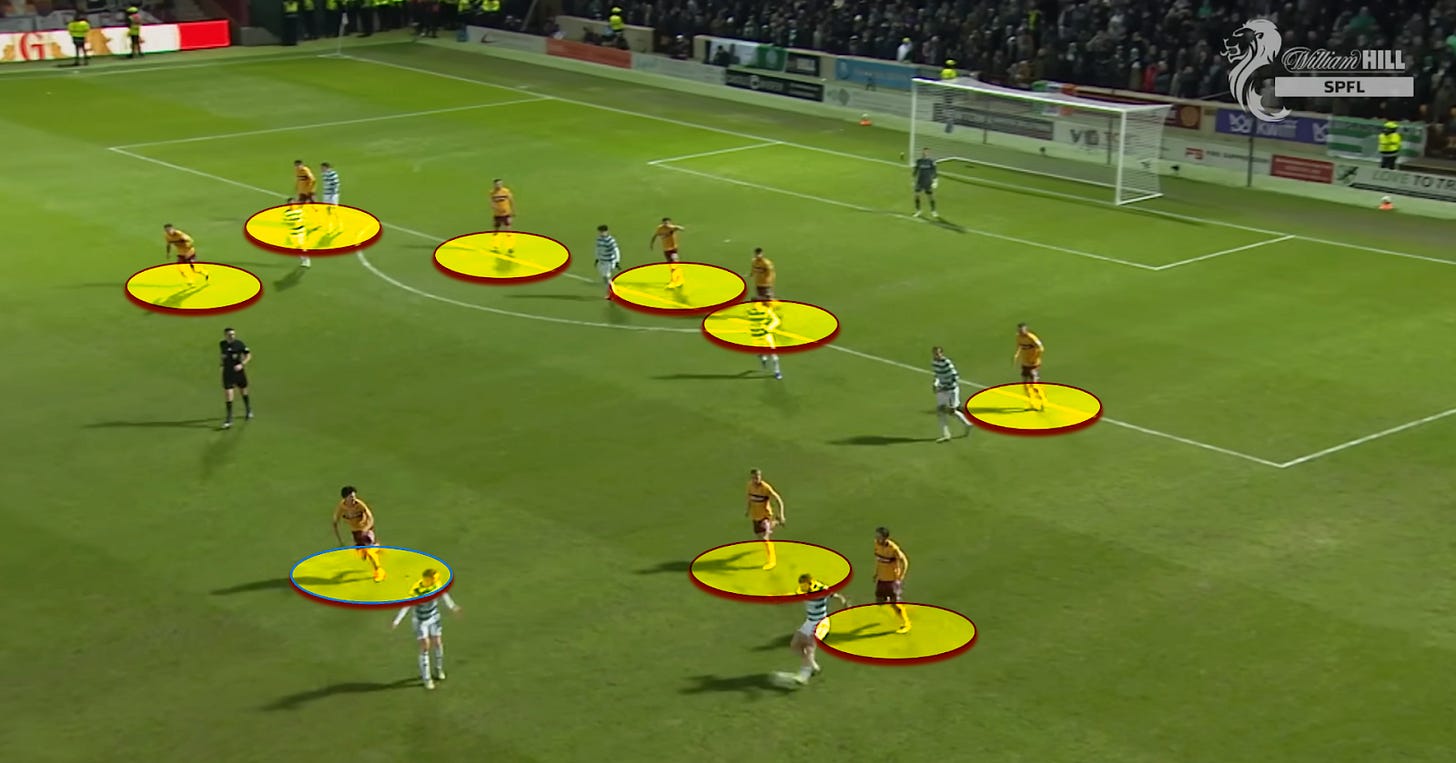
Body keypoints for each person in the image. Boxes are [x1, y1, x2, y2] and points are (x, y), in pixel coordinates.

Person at [391, 569, 461, 690]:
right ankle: (427, 678)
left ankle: (438, 669)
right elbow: (407, 605)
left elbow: (444, 595)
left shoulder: (437, 585)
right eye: (434, 579)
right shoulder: (417, 591)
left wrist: (453, 607)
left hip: (434, 617)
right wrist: (397, 620)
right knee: (425, 646)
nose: (436, 581)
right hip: (421, 621)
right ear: (427, 579)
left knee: (438, 642)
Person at [786, 573, 848, 686]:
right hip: (810, 622)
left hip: (821, 623)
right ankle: (812, 665)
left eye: (804, 586)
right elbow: (793, 595)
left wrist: (844, 603)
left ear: (810, 583)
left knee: (809, 647)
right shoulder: (801, 590)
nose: (803, 589)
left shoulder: (821, 589)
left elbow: (836, 596)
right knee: (795, 645)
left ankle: (804, 675)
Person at [333, 486, 386, 582]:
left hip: (366, 529)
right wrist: (339, 539)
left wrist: (366, 529)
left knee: (369, 551)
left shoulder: (360, 504)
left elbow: (370, 517)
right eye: (351, 497)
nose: (353, 499)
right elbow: (335, 522)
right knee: (362, 552)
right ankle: (376, 547)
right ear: (345, 498)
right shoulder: (341, 507)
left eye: (354, 496)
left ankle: (379, 571)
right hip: (356, 532)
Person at [873, 527, 911, 634]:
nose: (877, 538)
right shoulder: (876, 545)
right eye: (876, 536)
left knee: (894, 603)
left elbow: (904, 561)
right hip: (881, 579)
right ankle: (899, 606)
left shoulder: (893, 549)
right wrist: (876, 573)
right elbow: (879, 561)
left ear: (885, 538)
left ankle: (906, 623)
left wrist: (901, 575)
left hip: (892, 580)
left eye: (879, 536)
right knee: (879, 601)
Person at [746, 469, 785, 570]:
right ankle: (775, 523)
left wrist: (781, 514)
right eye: (754, 477)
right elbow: (749, 498)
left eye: (758, 477)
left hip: (765, 515)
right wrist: (748, 510)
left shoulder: (766, 488)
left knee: (765, 538)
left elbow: (778, 500)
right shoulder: (749, 486)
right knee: (759, 536)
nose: (756, 479)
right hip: (755, 515)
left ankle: (772, 561)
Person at [931, 346, 972, 442]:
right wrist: (935, 384)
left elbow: (955, 376)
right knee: (940, 410)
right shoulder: (934, 362)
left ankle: (967, 424)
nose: (936, 355)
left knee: (952, 411)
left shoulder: (947, 363)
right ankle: (946, 434)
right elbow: (937, 375)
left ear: (942, 353)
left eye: (938, 353)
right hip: (942, 389)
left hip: (951, 390)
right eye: (935, 353)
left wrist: (948, 385)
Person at [219, 327, 253, 429]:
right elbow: (223, 355)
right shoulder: (222, 344)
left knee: (243, 391)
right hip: (227, 373)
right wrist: (222, 364)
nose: (232, 336)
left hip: (238, 372)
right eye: (230, 334)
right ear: (225, 335)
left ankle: (248, 410)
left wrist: (242, 364)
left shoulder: (239, 344)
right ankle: (229, 419)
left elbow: (248, 355)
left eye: (233, 334)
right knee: (228, 394)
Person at [747, 301, 782, 379]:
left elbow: (777, 321)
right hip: (756, 337)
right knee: (760, 353)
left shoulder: (766, 311)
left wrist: (769, 328)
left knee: (774, 355)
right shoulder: (751, 311)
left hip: (766, 337)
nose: (755, 305)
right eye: (754, 303)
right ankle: (763, 358)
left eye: (757, 303)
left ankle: (777, 372)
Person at [1015, 323, 1045, 411]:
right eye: (1019, 330)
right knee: (1025, 385)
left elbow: (1041, 348)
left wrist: (1034, 358)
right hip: (1025, 364)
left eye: (1022, 330)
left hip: (1033, 364)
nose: (1020, 332)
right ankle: (1031, 403)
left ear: (1026, 330)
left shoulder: (1032, 338)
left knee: (1034, 385)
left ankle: (1042, 401)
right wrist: (1016, 355)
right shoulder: (1019, 337)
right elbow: (1019, 346)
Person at [648, 217, 685, 288]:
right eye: (664, 223)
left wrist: (676, 227)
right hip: (666, 249)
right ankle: (678, 279)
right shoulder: (660, 228)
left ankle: (675, 281)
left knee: (674, 264)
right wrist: (651, 244)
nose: (666, 224)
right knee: (671, 265)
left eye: (667, 223)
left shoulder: (672, 228)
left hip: (673, 249)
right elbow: (655, 236)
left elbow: (682, 228)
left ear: (670, 223)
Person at [594, 224, 621, 299]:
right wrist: (597, 259)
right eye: (600, 231)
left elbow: (616, 251)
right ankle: (612, 291)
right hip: (601, 261)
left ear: (606, 231)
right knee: (605, 278)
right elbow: (597, 249)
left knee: (606, 277)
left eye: (602, 231)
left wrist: (617, 261)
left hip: (609, 262)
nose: (601, 233)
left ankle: (611, 293)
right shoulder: (599, 239)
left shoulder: (610, 240)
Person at [913, 147, 940, 219]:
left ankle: (933, 211)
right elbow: (915, 170)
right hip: (920, 181)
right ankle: (918, 210)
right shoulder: (919, 161)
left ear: (928, 153)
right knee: (917, 196)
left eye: (927, 152)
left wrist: (935, 181)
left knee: (930, 197)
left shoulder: (931, 161)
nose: (925, 153)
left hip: (927, 182)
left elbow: (934, 171)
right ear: (922, 152)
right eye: (924, 152)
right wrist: (913, 179)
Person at [283, 198, 311, 268]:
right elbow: (286, 222)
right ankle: (303, 260)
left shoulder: (299, 211)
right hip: (293, 232)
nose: (292, 205)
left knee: (301, 245)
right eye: (290, 204)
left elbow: (303, 218)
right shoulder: (287, 213)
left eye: (293, 203)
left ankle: (307, 260)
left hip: (301, 231)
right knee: (297, 248)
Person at [489, 178, 514, 254]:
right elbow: (492, 203)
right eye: (497, 184)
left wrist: (512, 211)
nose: (499, 185)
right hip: (497, 214)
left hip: (506, 213)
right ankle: (495, 246)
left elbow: (511, 201)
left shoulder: (506, 191)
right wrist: (495, 208)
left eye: (500, 184)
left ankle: (510, 247)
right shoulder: (492, 193)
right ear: (494, 185)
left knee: (508, 229)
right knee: (496, 230)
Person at [319, 162, 341, 235]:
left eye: (322, 168)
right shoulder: (324, 174)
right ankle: (329, 227)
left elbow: (336, 184)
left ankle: (339, 226)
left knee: (334, 211)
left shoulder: (333, 174)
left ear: (326, 167)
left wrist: (332, 195)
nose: (321, 169)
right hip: (326, 194)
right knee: (327, 211)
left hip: (332, 195)